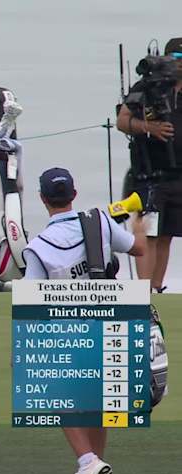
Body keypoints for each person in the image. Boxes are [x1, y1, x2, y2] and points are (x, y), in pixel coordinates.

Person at [22, 168, 145, 474]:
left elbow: (32, 305)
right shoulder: (100, 221)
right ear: (73, 195)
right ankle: (96, 464)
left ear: (42, 199)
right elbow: (139, 248)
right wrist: (140, 219)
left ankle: (88, 460)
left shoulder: (37, 247)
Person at [116, 37, 182, 293]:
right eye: (175, 59)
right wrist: (148, 127)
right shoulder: (147, 86)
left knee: (167, 235)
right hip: (150, 174)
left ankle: (157, 288)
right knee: (149, 233)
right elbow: (123, 120)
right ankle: (142, 292)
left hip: (179, 175)